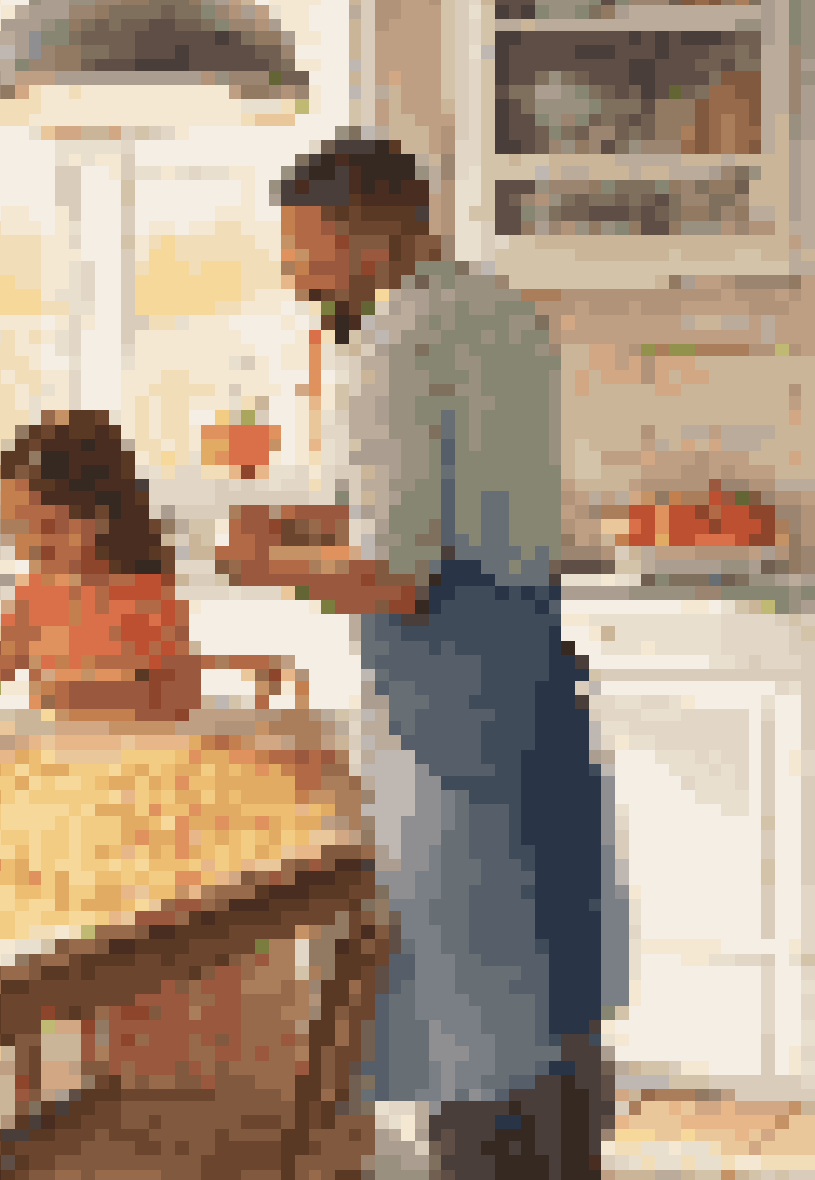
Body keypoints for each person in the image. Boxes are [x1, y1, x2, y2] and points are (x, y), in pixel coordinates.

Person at [218, 133, 614, 1178]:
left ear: (359, 236)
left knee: (471, 1005)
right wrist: (311, 523)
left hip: (451, 703)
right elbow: (438, 505)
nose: (294, 271)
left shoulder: (390, 345)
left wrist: (268, 566)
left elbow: (397, 577)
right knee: (552, 996)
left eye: (302, 248)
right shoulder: (499, 315)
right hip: (531, 675)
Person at [0, 410, 203, 721]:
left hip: (130, 754)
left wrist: (92, 696)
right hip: (55, 753)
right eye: (17, 527)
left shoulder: (145, 596)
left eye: (46, 528)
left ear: (102, 515)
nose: (28, 545)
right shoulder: (39, 591)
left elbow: (180, 697)